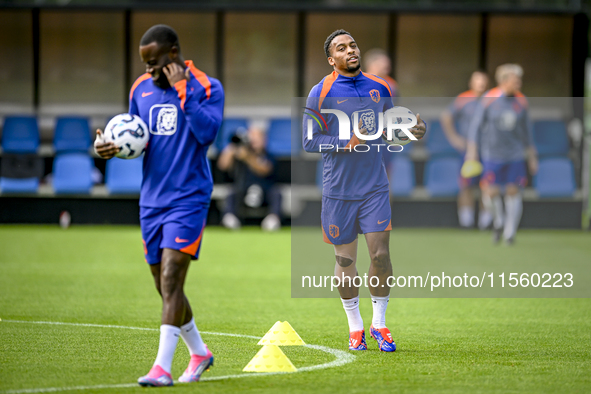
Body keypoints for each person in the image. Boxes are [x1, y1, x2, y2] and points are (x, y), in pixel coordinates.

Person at [94, 25, 224, 386]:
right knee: (164, 285)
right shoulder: (140, 89)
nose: (149, 71)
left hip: (189, 197)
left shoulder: (208, 86)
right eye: (145, 64)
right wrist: (110, 149)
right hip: (151, 200)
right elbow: (138, 139)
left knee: (171, 277)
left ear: (174, 52)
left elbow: (207, 134)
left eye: (154, 63)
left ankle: (162, 369)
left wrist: (184, 91)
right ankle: (199, 353)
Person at [303, 30, 425, 352]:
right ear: (332, 60)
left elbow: (387, 129)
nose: (350, 51)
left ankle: (379, 324)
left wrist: (411, 131)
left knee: (381, 255)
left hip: (374, 186)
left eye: (353, 45)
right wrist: (345, 143)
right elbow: (309, 140)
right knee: (345, 262)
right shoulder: (320, 91)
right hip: (339, 190)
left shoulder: (380, 86)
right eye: (341, 49)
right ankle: (354, 325)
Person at [465, 64, 538, 245]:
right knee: (490, 192)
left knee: (513, 192)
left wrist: (532, 156)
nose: (519, 83)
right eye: (515, 79)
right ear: (504, 81)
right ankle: (498, 221)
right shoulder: (489, 99)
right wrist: (472, 151)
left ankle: (510, 233)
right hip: (492, 154)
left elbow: (527, 132)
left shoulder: (521, 101)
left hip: (515, 155)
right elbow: (476, 127)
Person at [440, 70, 492, 229]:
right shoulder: (462, 99)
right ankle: (466, 222)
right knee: (466, 185)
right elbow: (446, 116)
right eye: (477, 81)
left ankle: (486, 222)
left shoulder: (493, 99)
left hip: (489, 150)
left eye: (483, 81)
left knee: (488, 185)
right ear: (471, 83)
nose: (480, 84)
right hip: (467, 150)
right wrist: (454, 138)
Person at [217, 125, 282, 231]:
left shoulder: (268, 155)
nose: (254, 141)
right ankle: (230, 218)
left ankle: (273, 219)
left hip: (264, 190)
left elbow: (264, 169)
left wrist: (248, 157)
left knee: (276, 193)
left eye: (257, 138)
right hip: (243, 189)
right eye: (252, 138)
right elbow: (222, 165)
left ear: (264, 140)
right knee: (231, 193)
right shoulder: (240, 152)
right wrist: (232, 147)